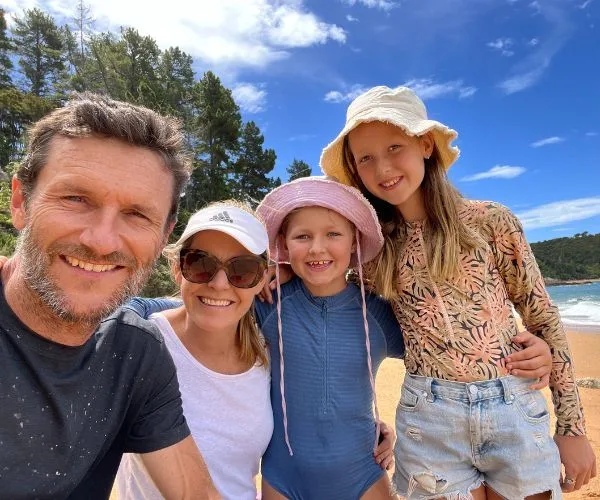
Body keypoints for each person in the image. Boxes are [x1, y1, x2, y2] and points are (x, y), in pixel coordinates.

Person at [319, 85, 596, 499]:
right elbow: (337, 314)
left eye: (395, 147)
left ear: (426, 145)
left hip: (514, 406)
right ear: (355, 170)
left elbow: (543, 318)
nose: (383, 168)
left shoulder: (490, 223)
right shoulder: (372, 252)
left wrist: (572, 428)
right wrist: (275, 274)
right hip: (428, 420)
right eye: (366, 158)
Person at [0, 93, 219, 499]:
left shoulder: (135, 352)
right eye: (76, 199)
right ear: (20, 202)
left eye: (137, 215)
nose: (101, 241)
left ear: (164, 236)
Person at [255, 176, 405, 499]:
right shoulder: (268, 303)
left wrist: (399, 433)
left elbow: (440, 361)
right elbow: (196, 317)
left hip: (364, 474)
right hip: (283, 479)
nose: (317, 248)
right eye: (302, 236)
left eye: (333, 234)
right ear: (283, 241)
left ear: (354, 240)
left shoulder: (377, 315)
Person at [115, 202, 274, 499]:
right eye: (201, 264)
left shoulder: (269, 356)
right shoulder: (141, 344)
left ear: (263, 278)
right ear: (178, 269)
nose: (219, 283)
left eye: (242, 270)